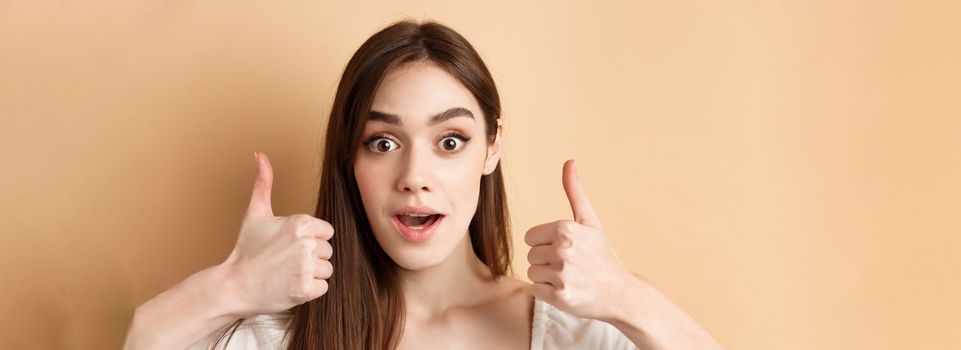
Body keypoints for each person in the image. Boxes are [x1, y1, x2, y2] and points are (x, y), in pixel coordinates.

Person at [123, 19, 723, 350]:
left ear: (493, 148)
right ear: (349, 160)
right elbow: (147, 341)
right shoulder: (284, 335)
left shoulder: (578, 334)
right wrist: (230, 286)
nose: (414, 178)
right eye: (382, 143)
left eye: (450, 142)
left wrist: (628, 297)